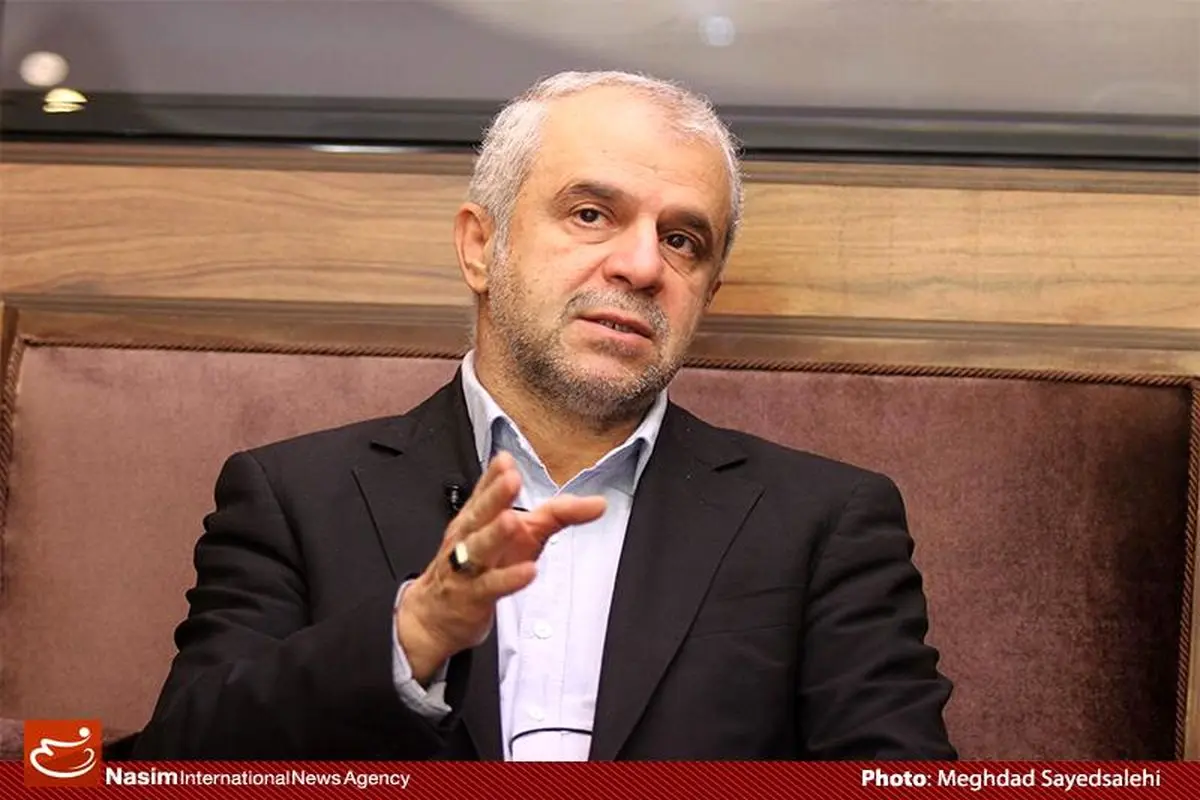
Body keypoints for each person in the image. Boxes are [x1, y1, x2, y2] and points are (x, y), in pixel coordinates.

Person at [132, 71, 955, 761]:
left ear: (707, 292)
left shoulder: (820, 522)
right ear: (478, 248)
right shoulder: (296, 496)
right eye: (591, 214)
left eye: (682, 241)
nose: (641, 265)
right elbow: (179, 766)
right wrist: (410, 635)